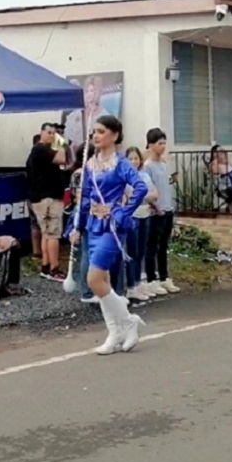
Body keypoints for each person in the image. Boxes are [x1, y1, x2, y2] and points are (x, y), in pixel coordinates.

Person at [70, 116, 148, 355]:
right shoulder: (90, 164)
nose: (96, 135)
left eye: (101, 131)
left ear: (114, 135)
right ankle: (114, 333)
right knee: (102, 282)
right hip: (93, 225)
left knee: (94, 280)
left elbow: (141, 187)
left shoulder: (121, 163)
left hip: (111, 227)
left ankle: (128, 321)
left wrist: (122, 211)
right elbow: (85, 198)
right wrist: (76, 226)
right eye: (94, 132)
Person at [26, 122, 66, 281]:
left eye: (53, 133)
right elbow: (62, 159)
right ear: (41, 133)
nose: (51, 135)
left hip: (43, 196)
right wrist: (60, 143)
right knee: (53, 234)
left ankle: (46, 265)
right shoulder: (41, 149)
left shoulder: (40, 151)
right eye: (49, 132)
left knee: (46, 234)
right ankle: (54, 268)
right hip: (47, 197)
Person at [144, 128, 180, 295]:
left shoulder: (164, 164)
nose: (163, 146)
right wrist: (155, 207)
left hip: (167, 209)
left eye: (164, 143)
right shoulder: (147, 167)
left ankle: (164, 277)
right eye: (160, 143)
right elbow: (147, 191)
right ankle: (151, 279)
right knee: (152, 245)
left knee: (163, 245)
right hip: (154, 212)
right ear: (151, 145)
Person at [124, 146, 158, 301]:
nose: (133, 161)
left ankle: (139, 283)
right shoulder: (124, 177)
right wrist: (144, 195)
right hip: (132, 217)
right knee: (132, 252)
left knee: (141, 252)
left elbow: (154, 195)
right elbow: (131, 196)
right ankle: (131, 286)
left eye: (136, 158)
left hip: (145, 214)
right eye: (130, 158)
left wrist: (141, 195)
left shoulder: (144, 175)